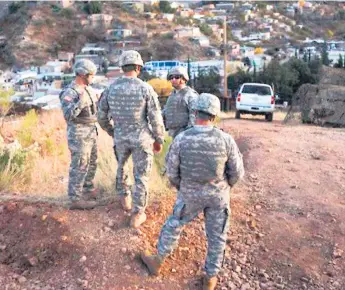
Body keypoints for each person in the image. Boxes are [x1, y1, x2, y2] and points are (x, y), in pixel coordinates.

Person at [141, 93, 245, 290]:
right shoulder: (226, 140)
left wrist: (183, 186)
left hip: (189, 194)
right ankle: (210, 278)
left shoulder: (181, 139)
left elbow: (171, 171)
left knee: (175, 224)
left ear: (195, 112)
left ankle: (158, 260)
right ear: (214, 116)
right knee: (217, 236)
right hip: (218, 196)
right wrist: (225, 186)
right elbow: (237, 172)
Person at [97, 50, 165, 228]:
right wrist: (159, 139)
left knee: (121, 168)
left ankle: (125, 198)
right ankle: (137, 213)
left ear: (122, 67)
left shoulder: (111, 88)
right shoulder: (145, 88)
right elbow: (155, 118)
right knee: (141, 176)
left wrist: (112, 131)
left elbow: (101, 116)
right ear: (138, 67)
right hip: (141, 139)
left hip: (120, 137)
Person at [59, 59, 99, 210]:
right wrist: (80, 102)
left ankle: (87, 190)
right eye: (91, 75)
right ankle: (75, 198)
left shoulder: (88, 89)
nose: (93, 78)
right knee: (80, 164)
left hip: (90, 131)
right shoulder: (70, 92)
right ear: (82, 74)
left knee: (92, 162)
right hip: (79, 133)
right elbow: (68, 115)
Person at [163, 66, 198, 139]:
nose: (173, 79)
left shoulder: (190, 95)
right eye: (171, 78)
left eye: (176, 77)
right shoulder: (172, 95)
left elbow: (194, 115)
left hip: (185, 134)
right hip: (172, 134)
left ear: (183, 78)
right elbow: (166, 112)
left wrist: (189, 133)